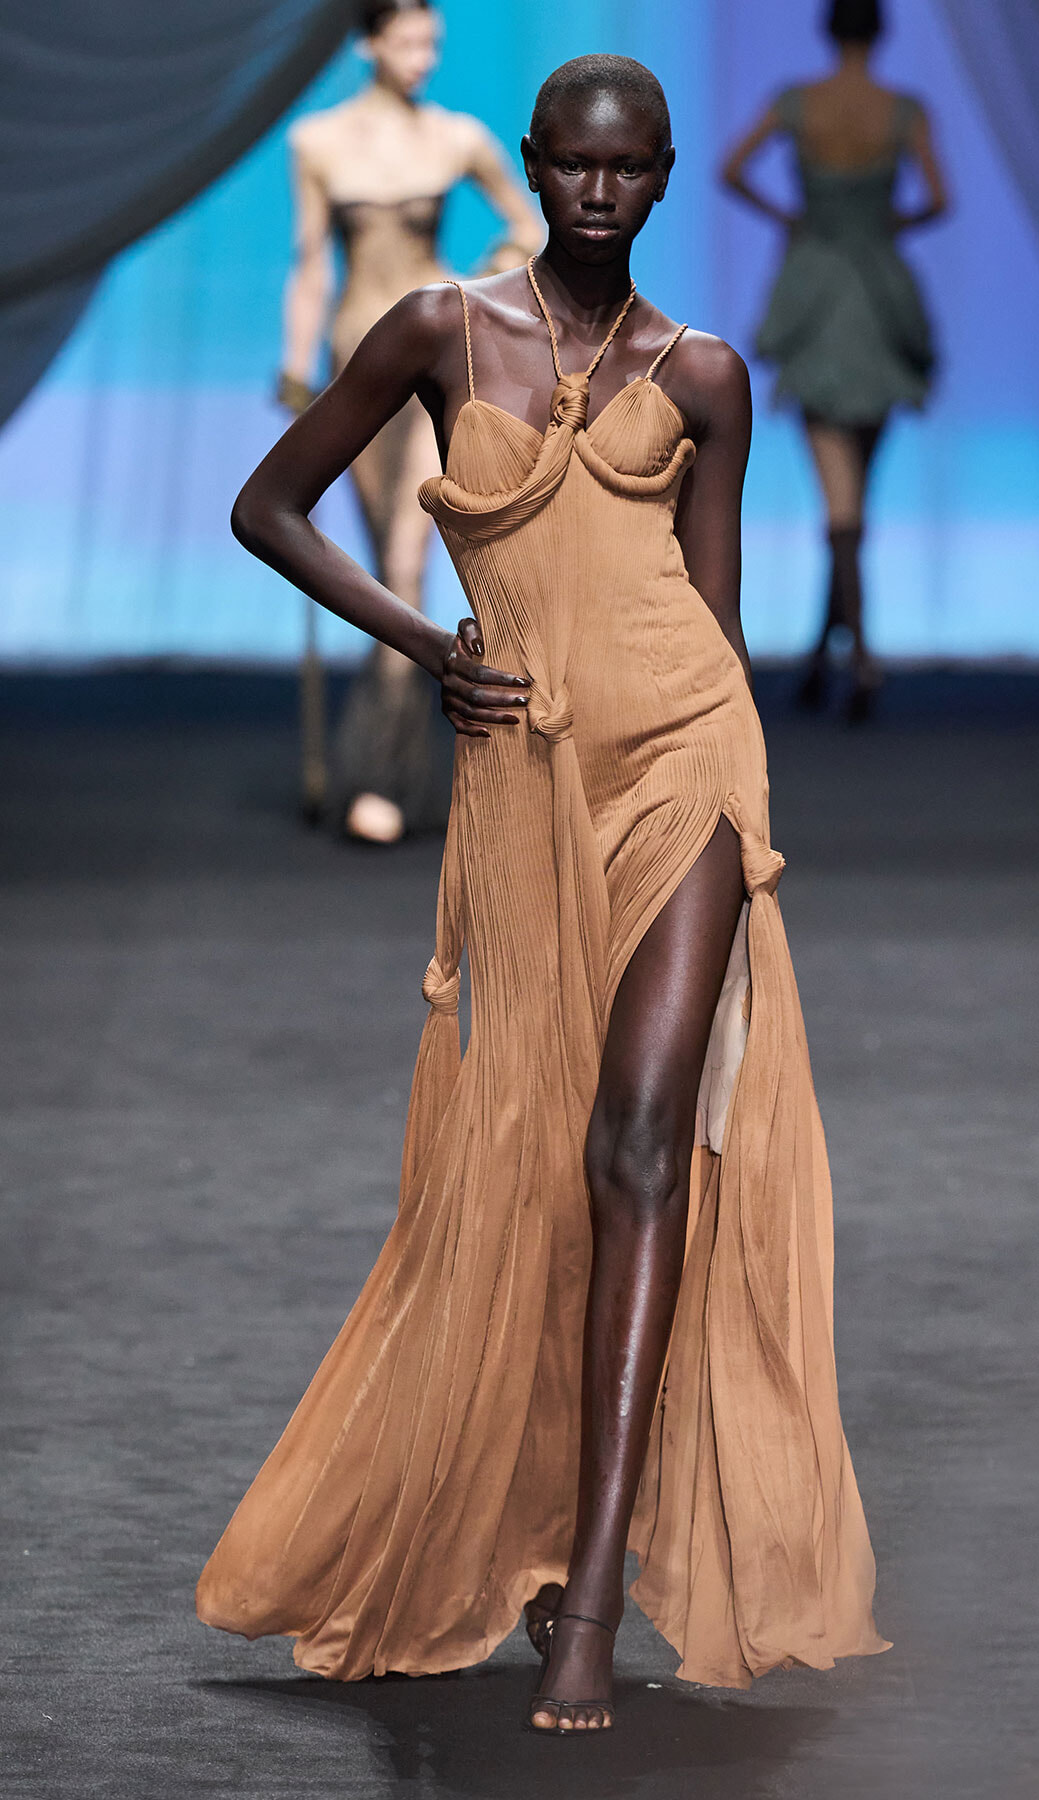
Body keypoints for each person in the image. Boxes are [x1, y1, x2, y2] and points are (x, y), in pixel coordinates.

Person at [197, 54, 887, 1733]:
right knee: (530, 1159)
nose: (598, 192)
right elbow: (267, 506)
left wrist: (746, 820)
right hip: (523, 776)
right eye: (573, 165)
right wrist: (429, 641)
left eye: (628, 169)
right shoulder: (439, 331)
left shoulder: (705, 372)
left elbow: (715, 620)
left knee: (641, 1147)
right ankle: (528, 1533)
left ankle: (590, 1600)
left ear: (662, 178)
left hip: (685, 764)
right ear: (531, 165)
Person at [281, 0, 541, 841]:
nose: (424, 57)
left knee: (406, 565)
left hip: (435, 367)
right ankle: (404, 769)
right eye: (407, 42)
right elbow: (311, 264)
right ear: (368, 44)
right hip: (355, 370)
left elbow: (528, 224)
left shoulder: (456, 137)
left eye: (433, 42)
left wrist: (478, 284)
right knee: (376, 580)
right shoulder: (317, 142)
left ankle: (378, 782)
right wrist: (294, 367)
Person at [722, 0, 948, 720]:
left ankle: (851, 661)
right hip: (878, 296)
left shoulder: (799, 104)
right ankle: (843, 661)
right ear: (880, 32)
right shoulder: (902, 112)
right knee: (850, 502)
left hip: (818, 291)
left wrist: (793, 218)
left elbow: (731, 169)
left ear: (828, 29)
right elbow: (939, 199)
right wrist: (889, 221)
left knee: (840, 503)